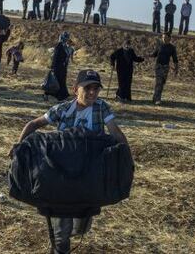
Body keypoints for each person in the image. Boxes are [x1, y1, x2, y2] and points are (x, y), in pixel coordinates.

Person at [17, 69, 128, 254]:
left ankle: (72, 232)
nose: (92, 92)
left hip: (90, 176)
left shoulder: (102, 108)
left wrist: (126, 152)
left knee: (83, 226)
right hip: (62, 174)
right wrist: (18, 147)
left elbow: (115, 131)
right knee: (62, 232)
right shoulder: (62, 109)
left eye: (96, 88)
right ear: (76, 89)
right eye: (87, 88)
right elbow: (33, 124)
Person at [150, 33, 178, 105]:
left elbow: (175, 59)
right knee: (159, 82)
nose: (163, 38)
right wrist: (149, 55)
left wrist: (176, 69)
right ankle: (157, 99)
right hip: (158, 66)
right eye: (162, 37)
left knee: (162, 83)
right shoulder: (159, 45)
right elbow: (155, 54)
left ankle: (155, 98)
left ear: (169, 38)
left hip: (165, 67)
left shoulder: (172, 47)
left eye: (165, 37)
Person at [46, 32, 71, 101]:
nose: (67, 39)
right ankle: (58, 95)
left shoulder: (64, 46)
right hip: (58, 68)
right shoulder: (59, 46)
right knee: (56, 81)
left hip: (62, 68)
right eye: (66, 38)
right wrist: (53, 68)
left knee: (61, 81)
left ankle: (62, 95)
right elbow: (55, 58)